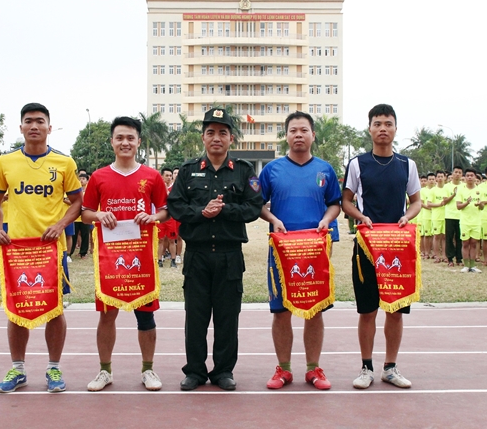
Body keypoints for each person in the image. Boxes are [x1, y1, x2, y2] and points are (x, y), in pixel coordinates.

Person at [167, 108, 263, 391]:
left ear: (231, 138)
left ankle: (223, 371)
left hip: (229, 255)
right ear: (203, 137)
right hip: (197, 256)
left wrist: (224, 210)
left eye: (222, 132)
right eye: (210, 132)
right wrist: (202, 212)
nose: (216, 138)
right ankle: (195, 371)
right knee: (195, 317)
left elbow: (254, 206)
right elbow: (176, 206)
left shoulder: (244, 171)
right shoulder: (188, 171)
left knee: (227, 318)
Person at [0, 103, 82, 393]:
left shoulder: (64, 162)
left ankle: (54, 368)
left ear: (49, 127)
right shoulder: (5, 162)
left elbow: (77, 202)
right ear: (21, 127)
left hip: (51, 250)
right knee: (16, 308)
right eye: (28, 121)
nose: (34, 126)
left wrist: (60, 225)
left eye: (40, 121)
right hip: (16, 249)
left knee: (54, 309)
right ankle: (17, 369)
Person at [81, 116, 169, 392]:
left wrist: (153, 217)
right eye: (119, 137)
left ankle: (148, 369)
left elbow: (165, 210)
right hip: (110, 259)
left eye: (130, 138)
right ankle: (105, 371)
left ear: (139, 142)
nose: (125, 142)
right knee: (107, 316)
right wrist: (99, 215)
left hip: (141, 258)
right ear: (112, 142)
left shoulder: (152, 176)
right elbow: (85, 214)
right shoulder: (99, 177)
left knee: (146, 317)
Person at [258, 111, 342, 390]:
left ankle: (313, 368)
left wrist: (326, 220)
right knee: (281, 311)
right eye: (293, 130)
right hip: (282, 252)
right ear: (286, 135)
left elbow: (335, 204)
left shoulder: (325, 170)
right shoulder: (272, 170)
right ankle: (283, 369)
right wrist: (273, 219)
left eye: (304, 130)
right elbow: (258, 204)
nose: (298, 135)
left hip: (315, 251)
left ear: (313, 135)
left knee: (314, 310)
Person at [341, 104, 421, 389]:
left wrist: (407, 217)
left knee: (395, 309)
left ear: (396, 128)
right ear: (370, 129)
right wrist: (361, 217)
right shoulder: (357, 164)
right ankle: (366, 368)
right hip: (366, 247)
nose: (383, 129)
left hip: (397, 248)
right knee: (367, 310)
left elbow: (416, 201)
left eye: (388, 123)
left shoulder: (407, 165)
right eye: (377, 124)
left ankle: (390, 367)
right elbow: (346, 200)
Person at [456, 168, 482, 273]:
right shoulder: (461, 190)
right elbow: (458, 206)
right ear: (465, 177)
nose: (470, 177)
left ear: (475, 177)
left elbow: (482, 207)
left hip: (476, 221)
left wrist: (480, 204)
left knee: (474, 243)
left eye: (472, 175)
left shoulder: (480, 190)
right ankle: (466, 265)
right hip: (465, 221)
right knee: (465, 243)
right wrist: (466, 203)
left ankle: (473, 265)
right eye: (468, 175)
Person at [443, 166, 464, 266]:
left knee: (460, 238)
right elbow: (445, 201)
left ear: (462, 175)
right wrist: (454, 195)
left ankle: (459, 259)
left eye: (459, 172)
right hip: (450, 215)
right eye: (456, 172)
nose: (457, 174)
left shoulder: (464, 186)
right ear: (452, 173)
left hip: (461, 216)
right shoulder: (447, 186)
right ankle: (450, 258)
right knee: (449, 238)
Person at [157, 167, 178, 268]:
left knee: (172, 239)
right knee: (160, 239)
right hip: (160, 217)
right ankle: (159, 260)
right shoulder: (157, 187)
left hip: (171, 217)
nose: (169, 177)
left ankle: (173, 260)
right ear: (162, 176)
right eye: (167, 176)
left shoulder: (175, 188)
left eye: (170, 175)